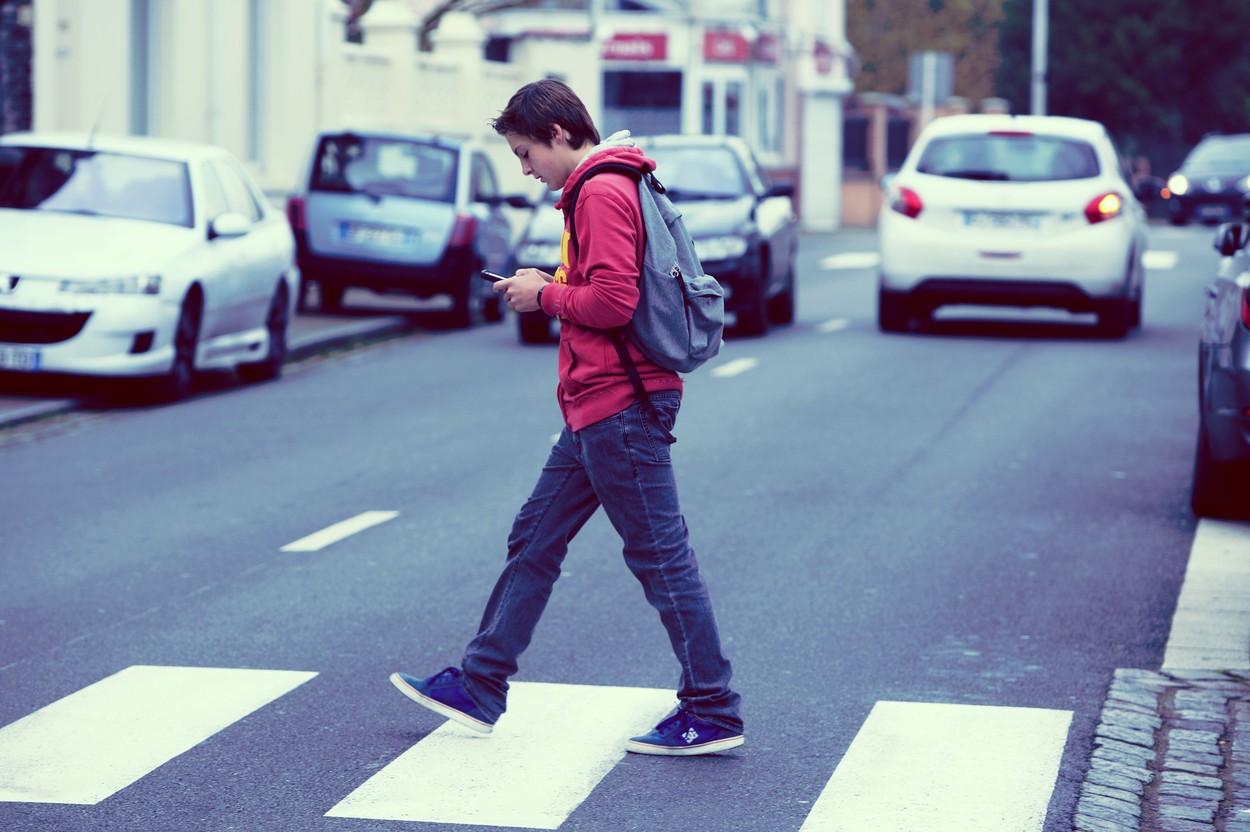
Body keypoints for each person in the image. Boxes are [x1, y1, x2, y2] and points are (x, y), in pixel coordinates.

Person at [390, 78, 743, 756]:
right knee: (534, 537)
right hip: (598, 403)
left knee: (660, 559)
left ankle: (714, 708)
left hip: (621, 402)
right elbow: (607, 286)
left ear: (558, 133)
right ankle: (480, 681)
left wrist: (544, 296)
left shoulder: (602, 190)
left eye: (525, 153)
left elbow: (612, 302)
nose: (524, 169)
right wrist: (549, 282)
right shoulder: (601, 186)